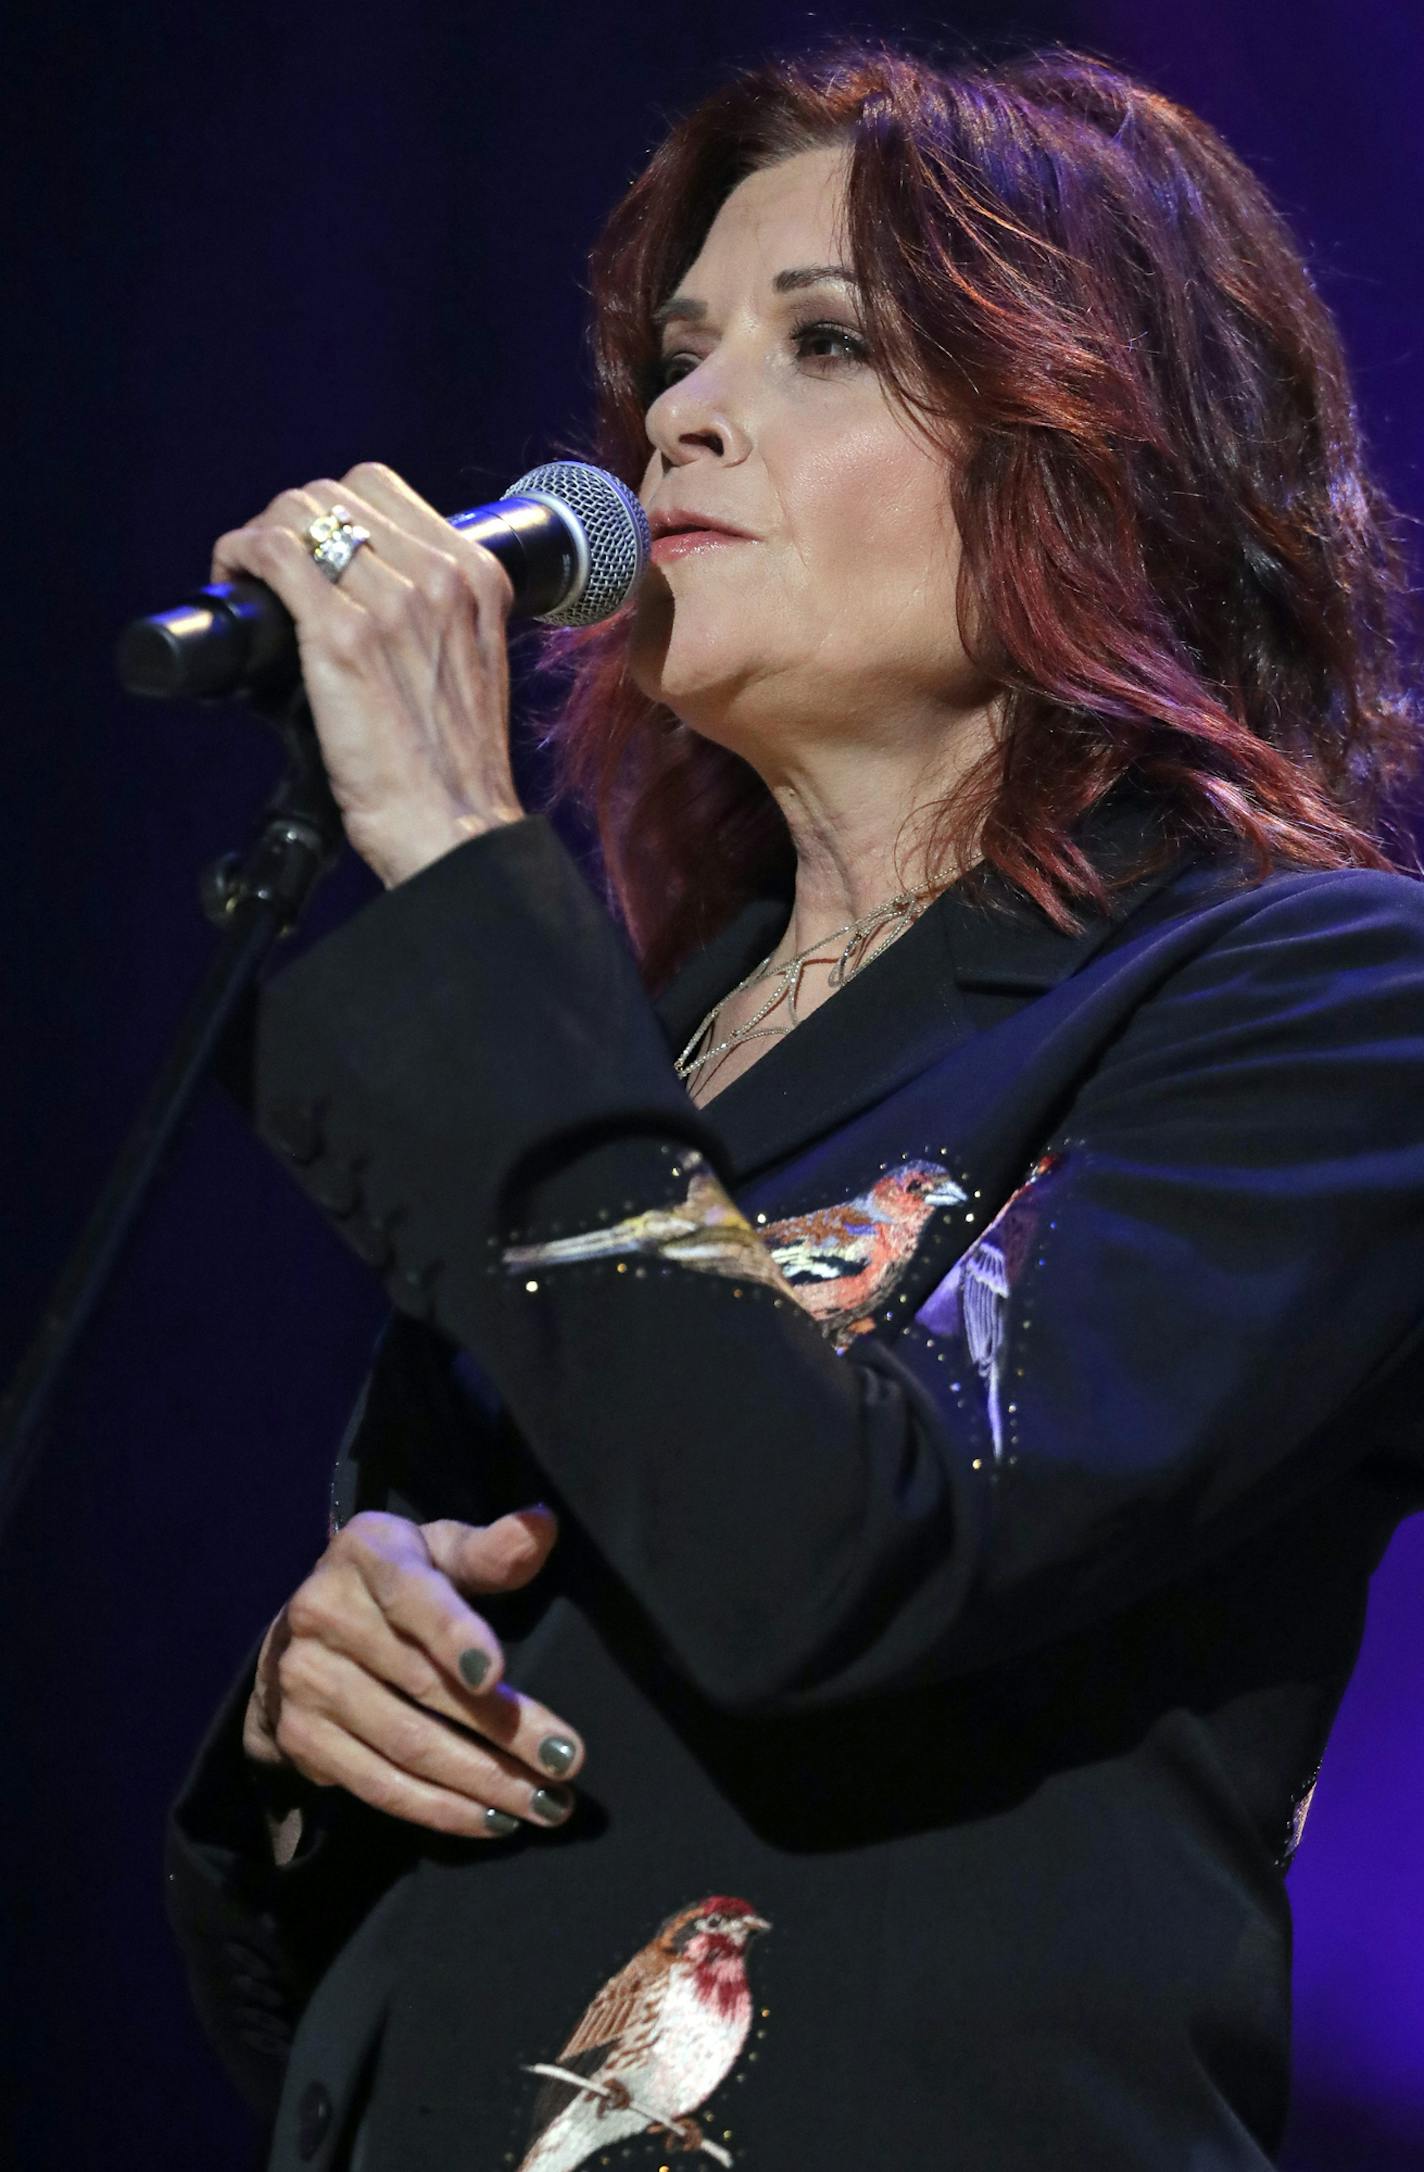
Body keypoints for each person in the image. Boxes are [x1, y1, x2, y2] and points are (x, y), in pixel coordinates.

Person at [164, 40, 1424, 2172]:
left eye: (821, 340)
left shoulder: (1315, 997)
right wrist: (328, 1696)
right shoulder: (632, 1059)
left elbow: (837, 1562)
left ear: (1097, 446)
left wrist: (469, 857)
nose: (675, 417)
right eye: (672, 357)